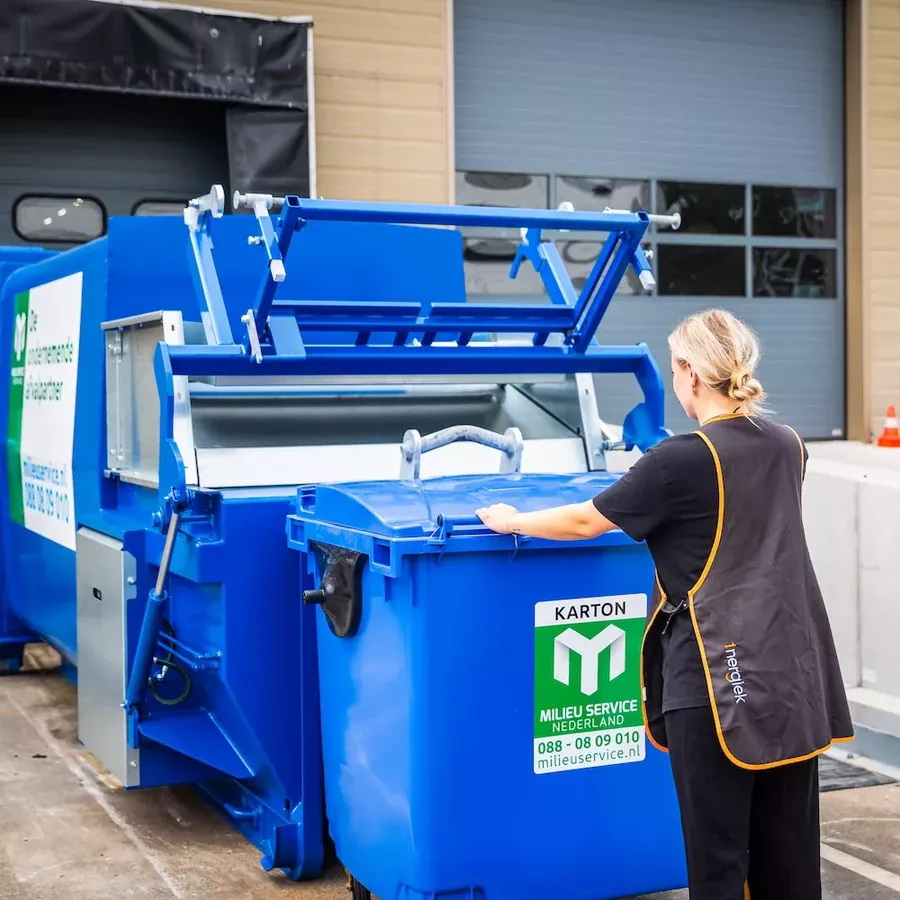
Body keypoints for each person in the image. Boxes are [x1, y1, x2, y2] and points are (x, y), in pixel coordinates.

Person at [476, 308, 853, 900]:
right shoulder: (788, 444)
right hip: (789, 675)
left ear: (689, 373)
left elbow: (583, 521)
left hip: (715, 679)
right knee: (789, 853)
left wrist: (510, 518)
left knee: (718, 857)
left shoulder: (680, 460)